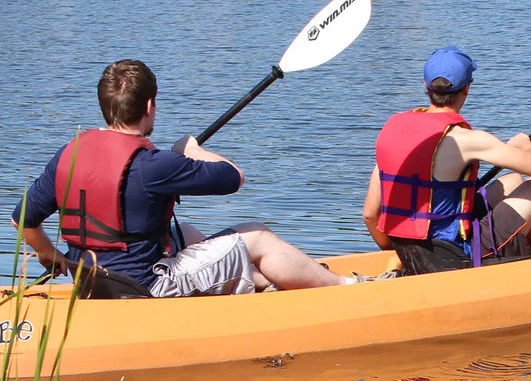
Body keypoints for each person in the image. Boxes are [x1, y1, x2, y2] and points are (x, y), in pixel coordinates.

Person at [12, 59, 354, 296]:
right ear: (149, 107)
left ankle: (263, 282)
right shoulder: (155, 165)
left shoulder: (68, 155)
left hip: (90, 280)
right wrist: (191, 150)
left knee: (185, 233)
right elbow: (234, 177)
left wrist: (50, 254)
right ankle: (344, 290)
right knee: (257, 236)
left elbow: (22, 218)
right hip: (144, 288)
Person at [362, 46, 531, 274]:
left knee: (513, 181)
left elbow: (370, 214)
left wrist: (402, 254)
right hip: (458, 255)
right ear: (467, 89)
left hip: (414, 251)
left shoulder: (392, 132)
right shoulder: (466, 139)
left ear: (426, 86)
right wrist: (526, 145)